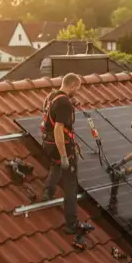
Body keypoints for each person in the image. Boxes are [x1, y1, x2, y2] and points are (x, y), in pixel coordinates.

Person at [40, 73, 86, 234]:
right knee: (71, 185)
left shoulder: (51, 96)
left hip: (48, 144)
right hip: (62, 146)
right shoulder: (64, 103)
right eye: (77, 89)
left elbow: (50, 114)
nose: (77, 92)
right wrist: (64, 155)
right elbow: (58, 128)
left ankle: (48, 191)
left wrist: (71, 102)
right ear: (72, 85)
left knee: (55, 165)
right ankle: (71, 223)